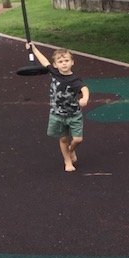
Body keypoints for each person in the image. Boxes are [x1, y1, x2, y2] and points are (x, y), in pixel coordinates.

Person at [27, 42, 90, 173]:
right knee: (63, 139)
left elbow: (84, 88)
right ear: (55, 65)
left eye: (66, 60)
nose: (64, 63)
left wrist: (85, 98)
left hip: (74, 114)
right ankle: (67, 161)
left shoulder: (75, 79)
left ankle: (71, 150)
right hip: (57, 114)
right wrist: (34, 48)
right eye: (60, 61)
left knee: (78, 139)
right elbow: (44, 61)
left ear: (72, 62)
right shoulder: (55, 73)